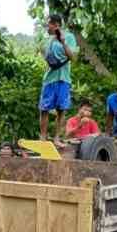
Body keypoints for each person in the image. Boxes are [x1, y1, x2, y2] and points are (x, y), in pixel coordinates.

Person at [38, 14, 77, 145]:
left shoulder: (69, 37)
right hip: (49, 79)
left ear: (56, 25)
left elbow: (72, 57)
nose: (46, 27)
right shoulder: (48, 40)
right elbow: (47, 59)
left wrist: (63, 42)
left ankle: (56, 138)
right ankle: (43, 138)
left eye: (48, 24)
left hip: (64, 78)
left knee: (61, 110)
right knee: (44, 109)